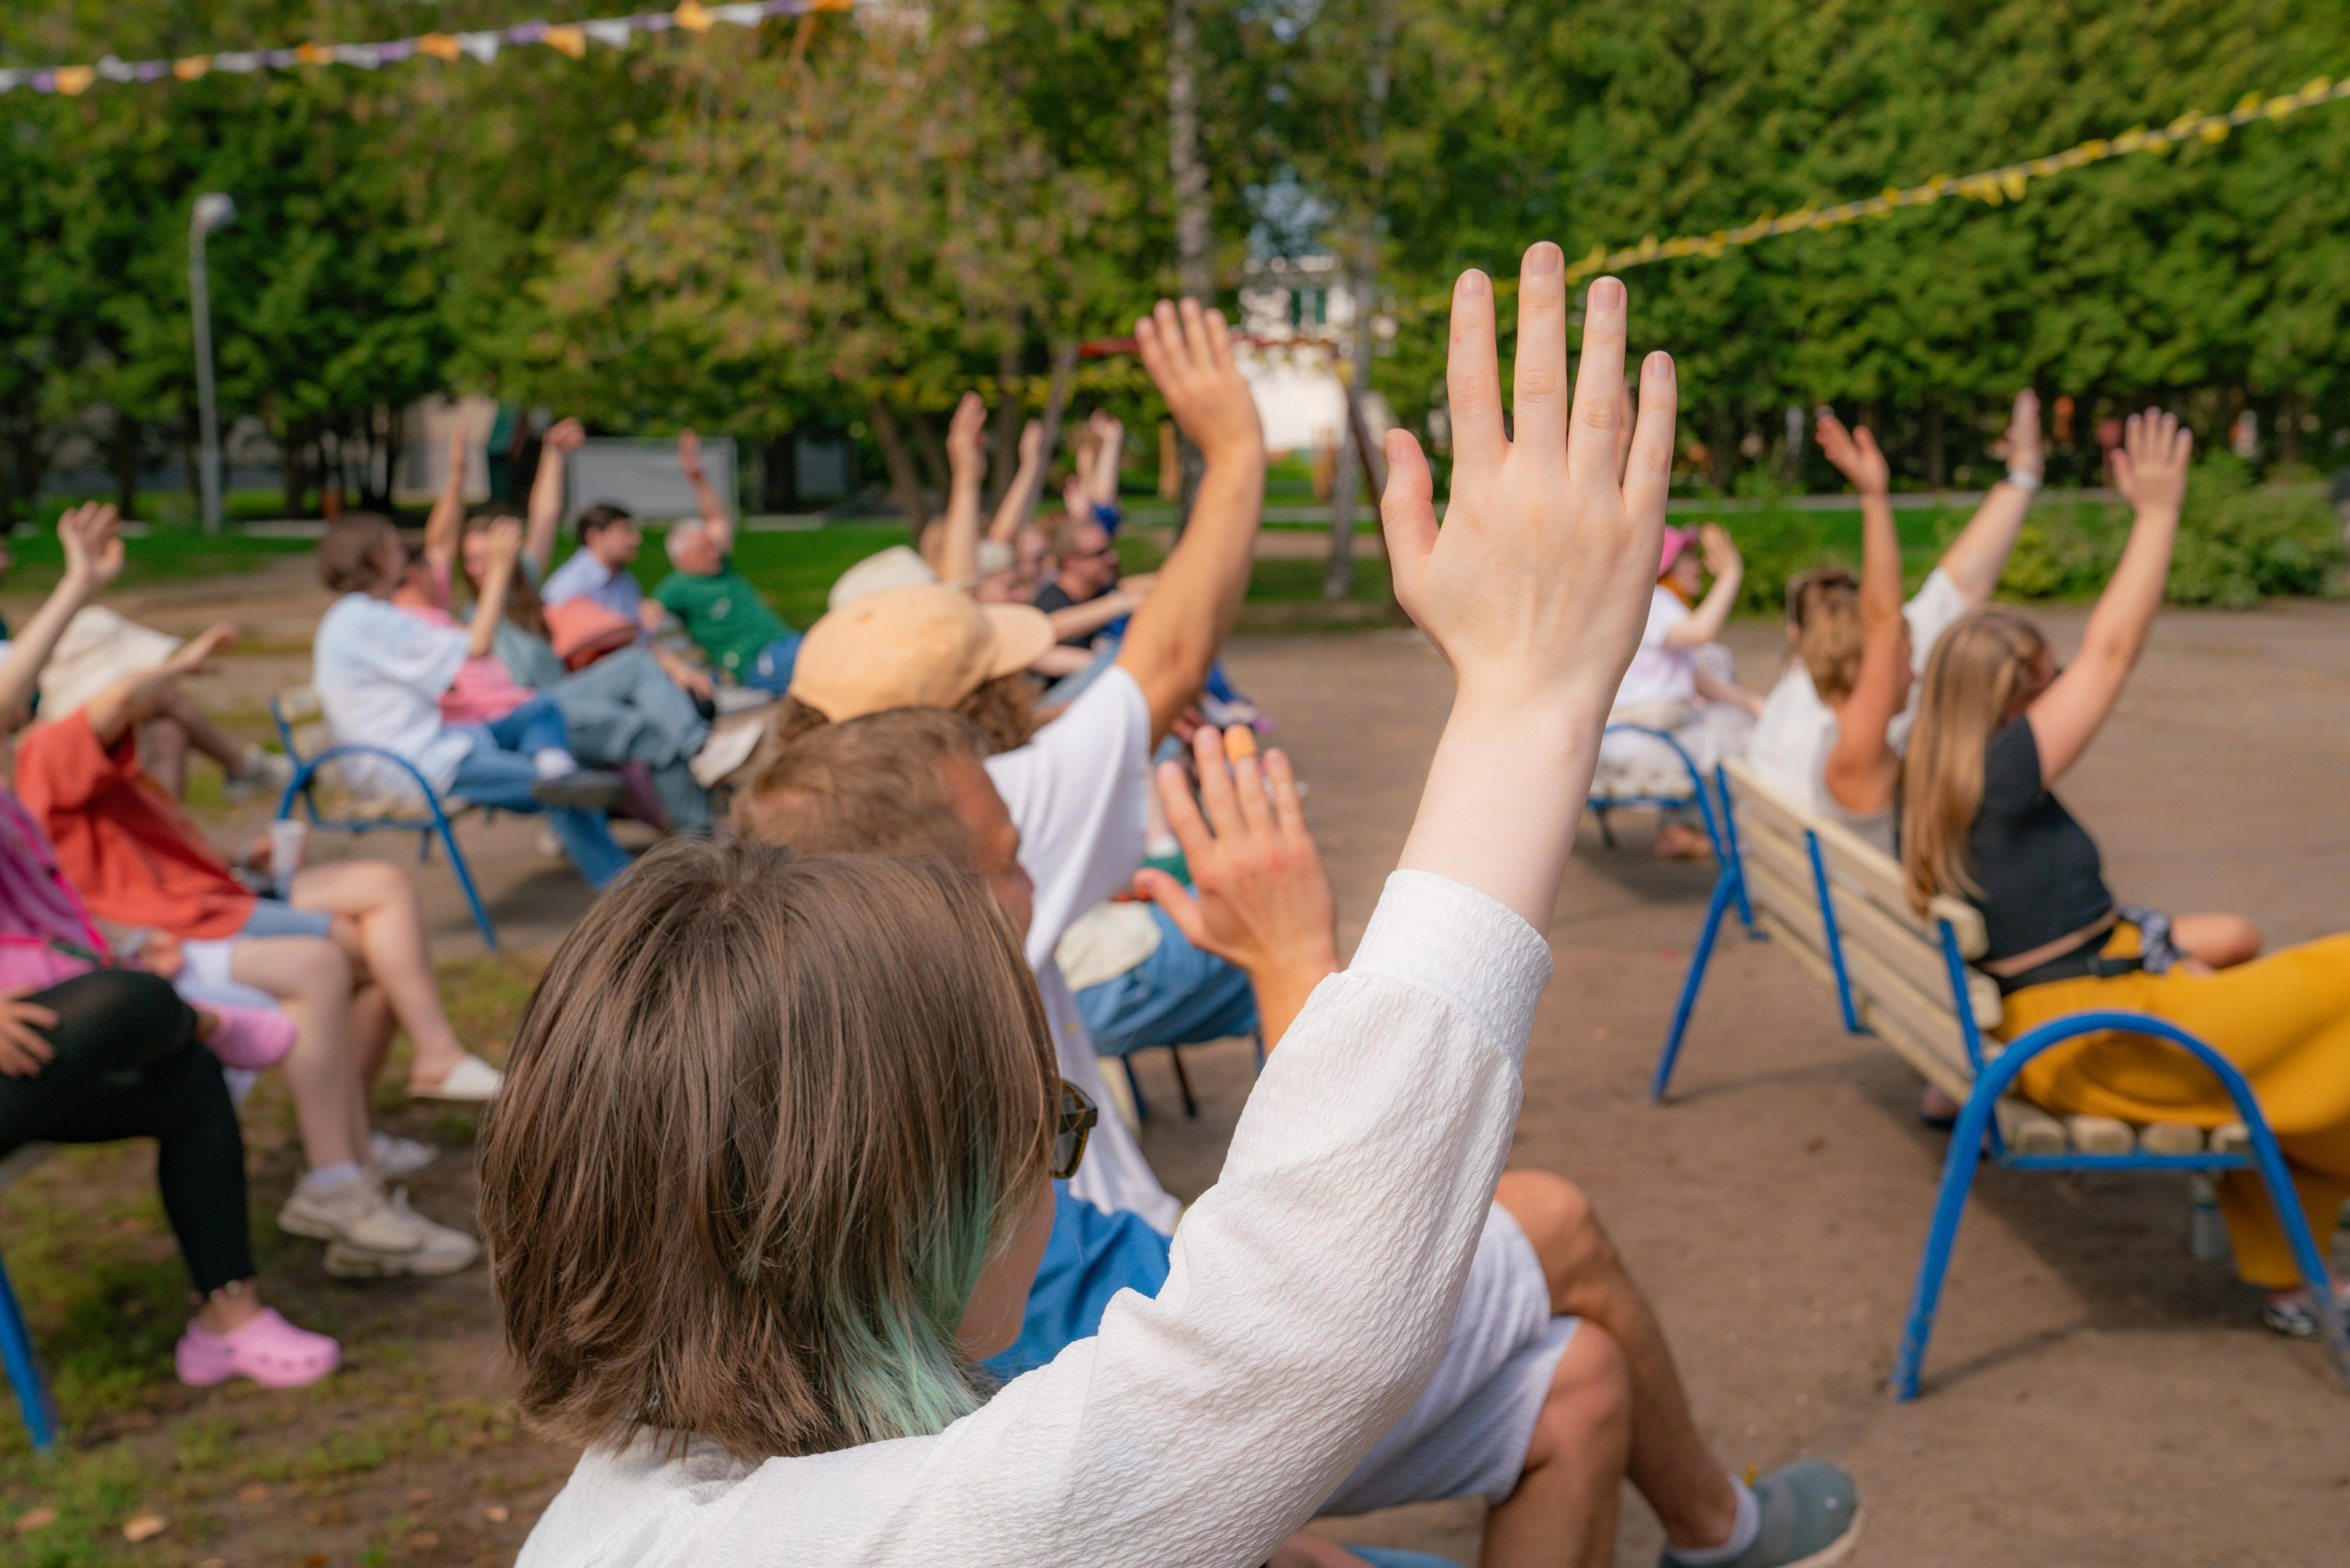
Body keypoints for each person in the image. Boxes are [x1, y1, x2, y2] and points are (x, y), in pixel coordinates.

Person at [486, 259, 1860, 1568]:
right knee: (1560, 1258)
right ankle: (1722, 1530)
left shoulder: (644, 1496)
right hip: (1124, 1306)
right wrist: (1528, 698)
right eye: (1045, 1126)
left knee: (1578, 1378)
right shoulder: (928, 1534)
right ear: (886, 1224)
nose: (1058, 1146)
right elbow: (1308, 1322)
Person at [1902, 409, 2350, 1341]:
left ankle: (2294, 1281)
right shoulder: (2001, 773)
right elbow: (2111, 651)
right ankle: (2299, 1274)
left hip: (2067, 1015)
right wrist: (2155, 515)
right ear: (2011, 702)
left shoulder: (1935, 776)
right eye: (2047, 681)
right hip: (2096, 1036)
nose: (2066, 687)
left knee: (2292, 1020)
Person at [14, 633, 507, 1107]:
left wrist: (243, 855)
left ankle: (387, 1100)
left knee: (384, 888)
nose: (168, 696)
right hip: (187, 918)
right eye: (154, 684)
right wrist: (178, 665)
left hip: (215, 895)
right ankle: (380, 1107)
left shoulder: (115, 759)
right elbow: (119, 698)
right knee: (365, 950)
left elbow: (157, 852)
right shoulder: (54, 750)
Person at [1747, 390, 2046, 815]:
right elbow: (1945, 593)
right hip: (1840, 878)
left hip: (1777, 867)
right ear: (1877, 671)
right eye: (1904, 660)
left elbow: (1954, 585)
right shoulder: (1854, 744)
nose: (1917, 672)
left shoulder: (1802, 683)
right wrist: (1875, 501)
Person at [309, 514, 633, 890]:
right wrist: (498, 569)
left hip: (431, 743)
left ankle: (556, 771)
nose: (404, 551)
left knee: (539, 710)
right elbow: (476, 646)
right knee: (562, 790)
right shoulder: (365, 621)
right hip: (412, 763)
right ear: (379, 560)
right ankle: (619, 881)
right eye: (395, 545)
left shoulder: (362, 617)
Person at [1595, 523, 1762, 858]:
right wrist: (1731, 574)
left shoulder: (1652, 607)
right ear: (1665, 567)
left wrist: (1754, 704)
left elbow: (1702, 684)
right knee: (1744, 749)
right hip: (1643, 741)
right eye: (1688, 559)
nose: (1697, 566)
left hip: (1632, 738)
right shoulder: (1654, 600)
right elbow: (1703, 632)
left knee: (1730, 725)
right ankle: (1743, 850)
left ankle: (1685, 831)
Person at [649, 430, 803, 693]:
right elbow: (644, 618)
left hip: (785, 643)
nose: (715, 552)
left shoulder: (721, 567)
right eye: (704, 549)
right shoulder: (678, 586)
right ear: (682, 558)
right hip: (757, 663)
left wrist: (698, 478)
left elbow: (716, 519)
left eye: (713, 546)